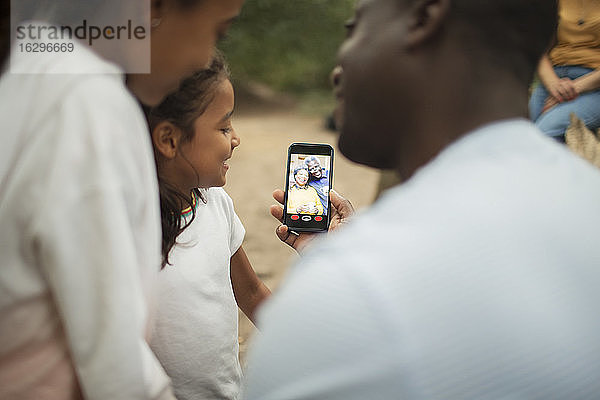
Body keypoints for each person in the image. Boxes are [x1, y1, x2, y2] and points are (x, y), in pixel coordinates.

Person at [243, 0, 600, 399]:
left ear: (424, 18)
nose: (337, 68)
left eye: (353, 28)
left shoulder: (347, 294)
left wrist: (350, 264)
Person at [0, 0, 244, 399]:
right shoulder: (88, 105)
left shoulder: (29, 71)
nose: (206, 59)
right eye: (219, 31)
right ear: (151, 9)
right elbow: (115, 365)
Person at [144, 54, 271, 400]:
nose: (236, 138)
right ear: (169, 140)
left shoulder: (217, 205)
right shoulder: (133, 229)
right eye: (224, 127)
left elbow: (251, 292)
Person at [529, 0, 600, 141]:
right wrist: (553, 85)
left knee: (544, 134)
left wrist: (572, 89)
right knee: (522, 134)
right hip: (554, 79)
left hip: (593, 85)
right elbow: (540, 50)